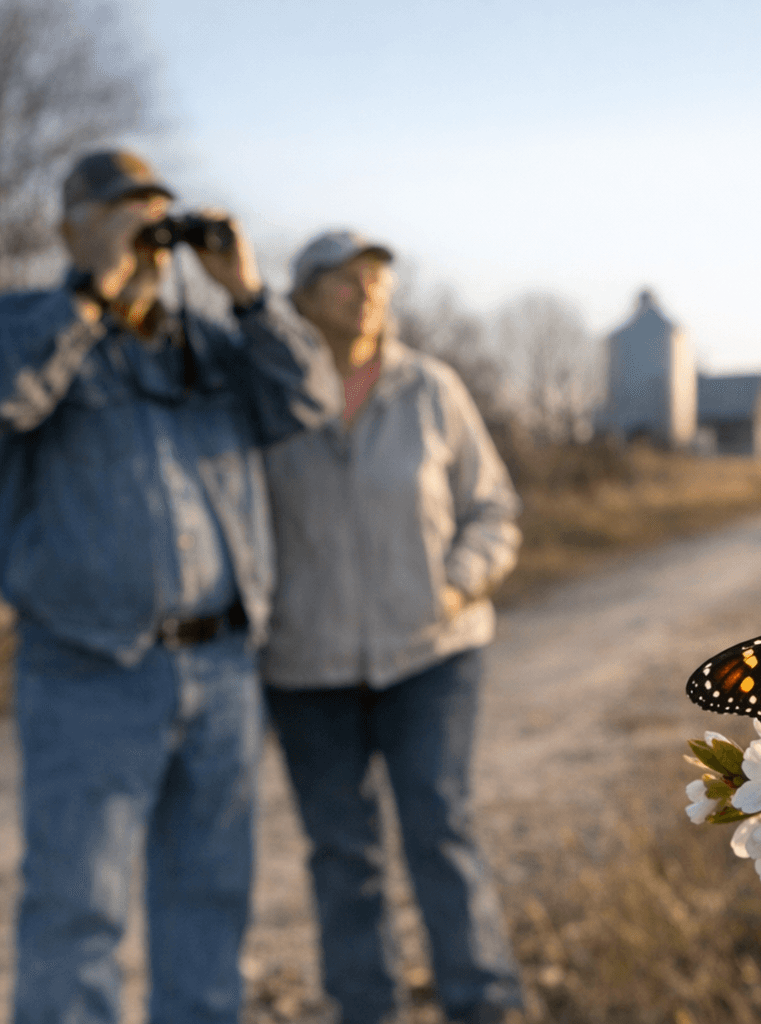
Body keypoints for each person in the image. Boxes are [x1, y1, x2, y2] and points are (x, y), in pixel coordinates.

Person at [0, 150, 338, 1024]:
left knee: (209, 902)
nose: (147, 226)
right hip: (88, 668)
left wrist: (245, 292)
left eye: (157, 211)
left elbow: (310, 400)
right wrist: (93, 293)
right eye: (123, 208)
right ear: (69, 228)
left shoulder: (210, 345)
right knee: (76, 910)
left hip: (225, 667)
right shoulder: (18, 326)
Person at [261, 229, 524, 1024]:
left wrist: (456, 585)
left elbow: (495, 510)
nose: (367, 293)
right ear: (301, 297)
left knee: (440, 832)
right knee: (344, 857)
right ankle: (365, 1009)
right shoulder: (268, 394)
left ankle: (484, 1004)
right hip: (307, 668)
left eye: (377, 279)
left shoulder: (431, 388)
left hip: (431, 656)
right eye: (345, 280)